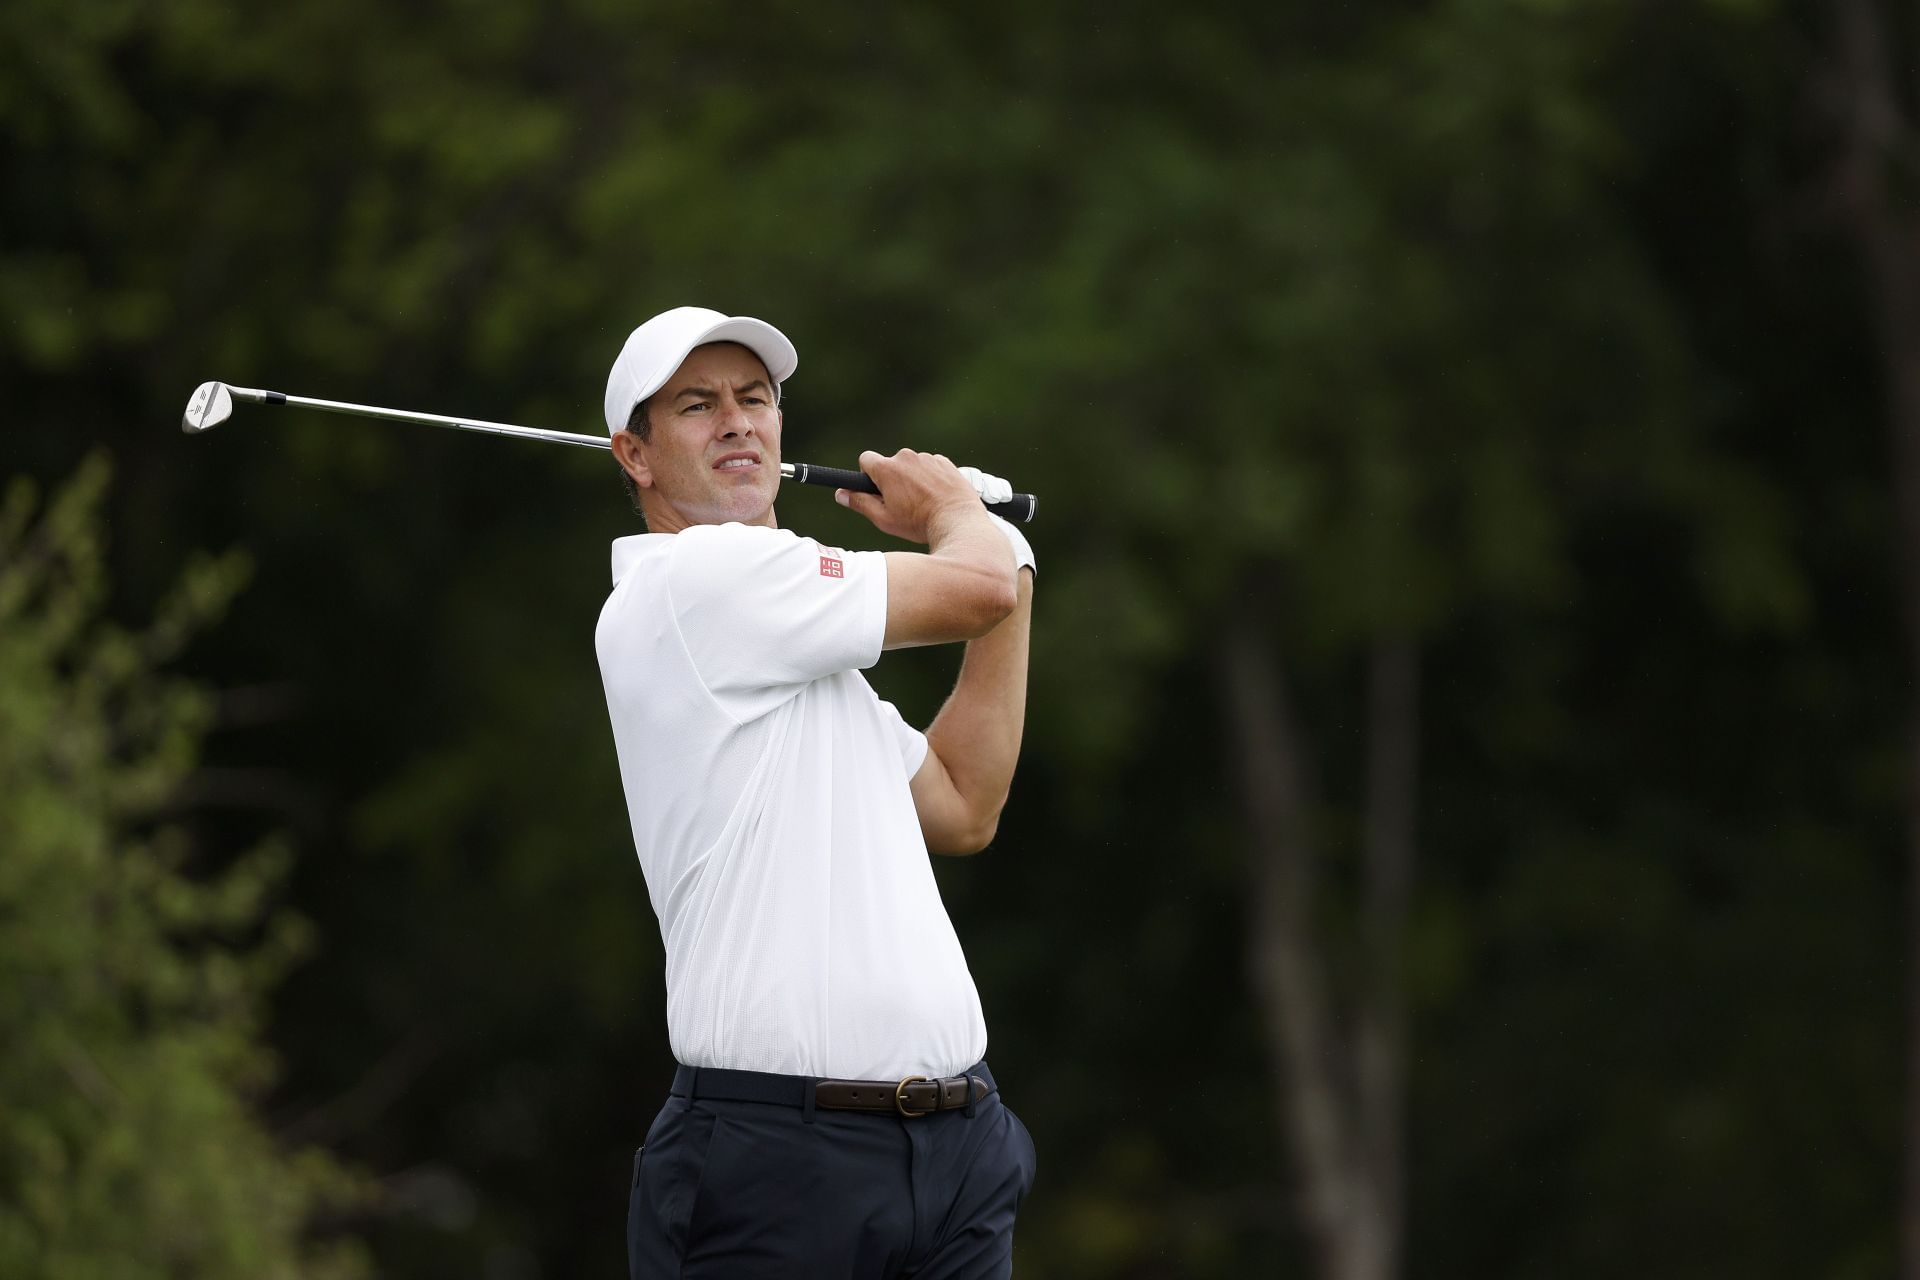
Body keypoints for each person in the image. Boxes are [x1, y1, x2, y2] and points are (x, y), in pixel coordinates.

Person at [595, 306, 1038, 1278]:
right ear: (635, 453)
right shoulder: (698, 584)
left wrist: (1002, 546)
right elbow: (977, 589)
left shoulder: (801, 661)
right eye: (697, 406)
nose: (738, 423)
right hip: (780, 1162)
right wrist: (960, 515)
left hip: (956, 1148)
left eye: (755, 400)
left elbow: (965, 801)